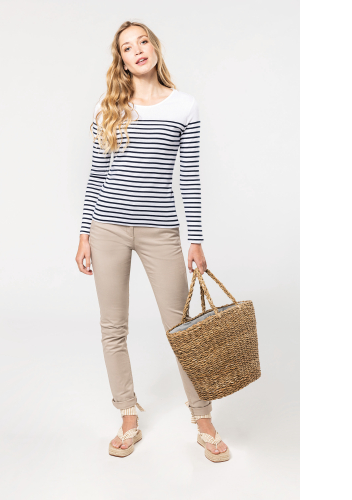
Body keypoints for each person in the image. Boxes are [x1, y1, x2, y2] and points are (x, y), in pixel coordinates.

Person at [75, 21, 229, 462]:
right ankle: (128, 417)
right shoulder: (109, 107)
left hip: (160, 231)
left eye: (143, 41)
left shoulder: (184, 106)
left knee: (182, 331)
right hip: (107, 227)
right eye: (128, 47)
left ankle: (203, 420)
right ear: (122, 60)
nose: (138, 50)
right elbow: (97, 174)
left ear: (155, 48)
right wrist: (84, 233)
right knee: (113, 326)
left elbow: (189, 177)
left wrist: (195, 240)